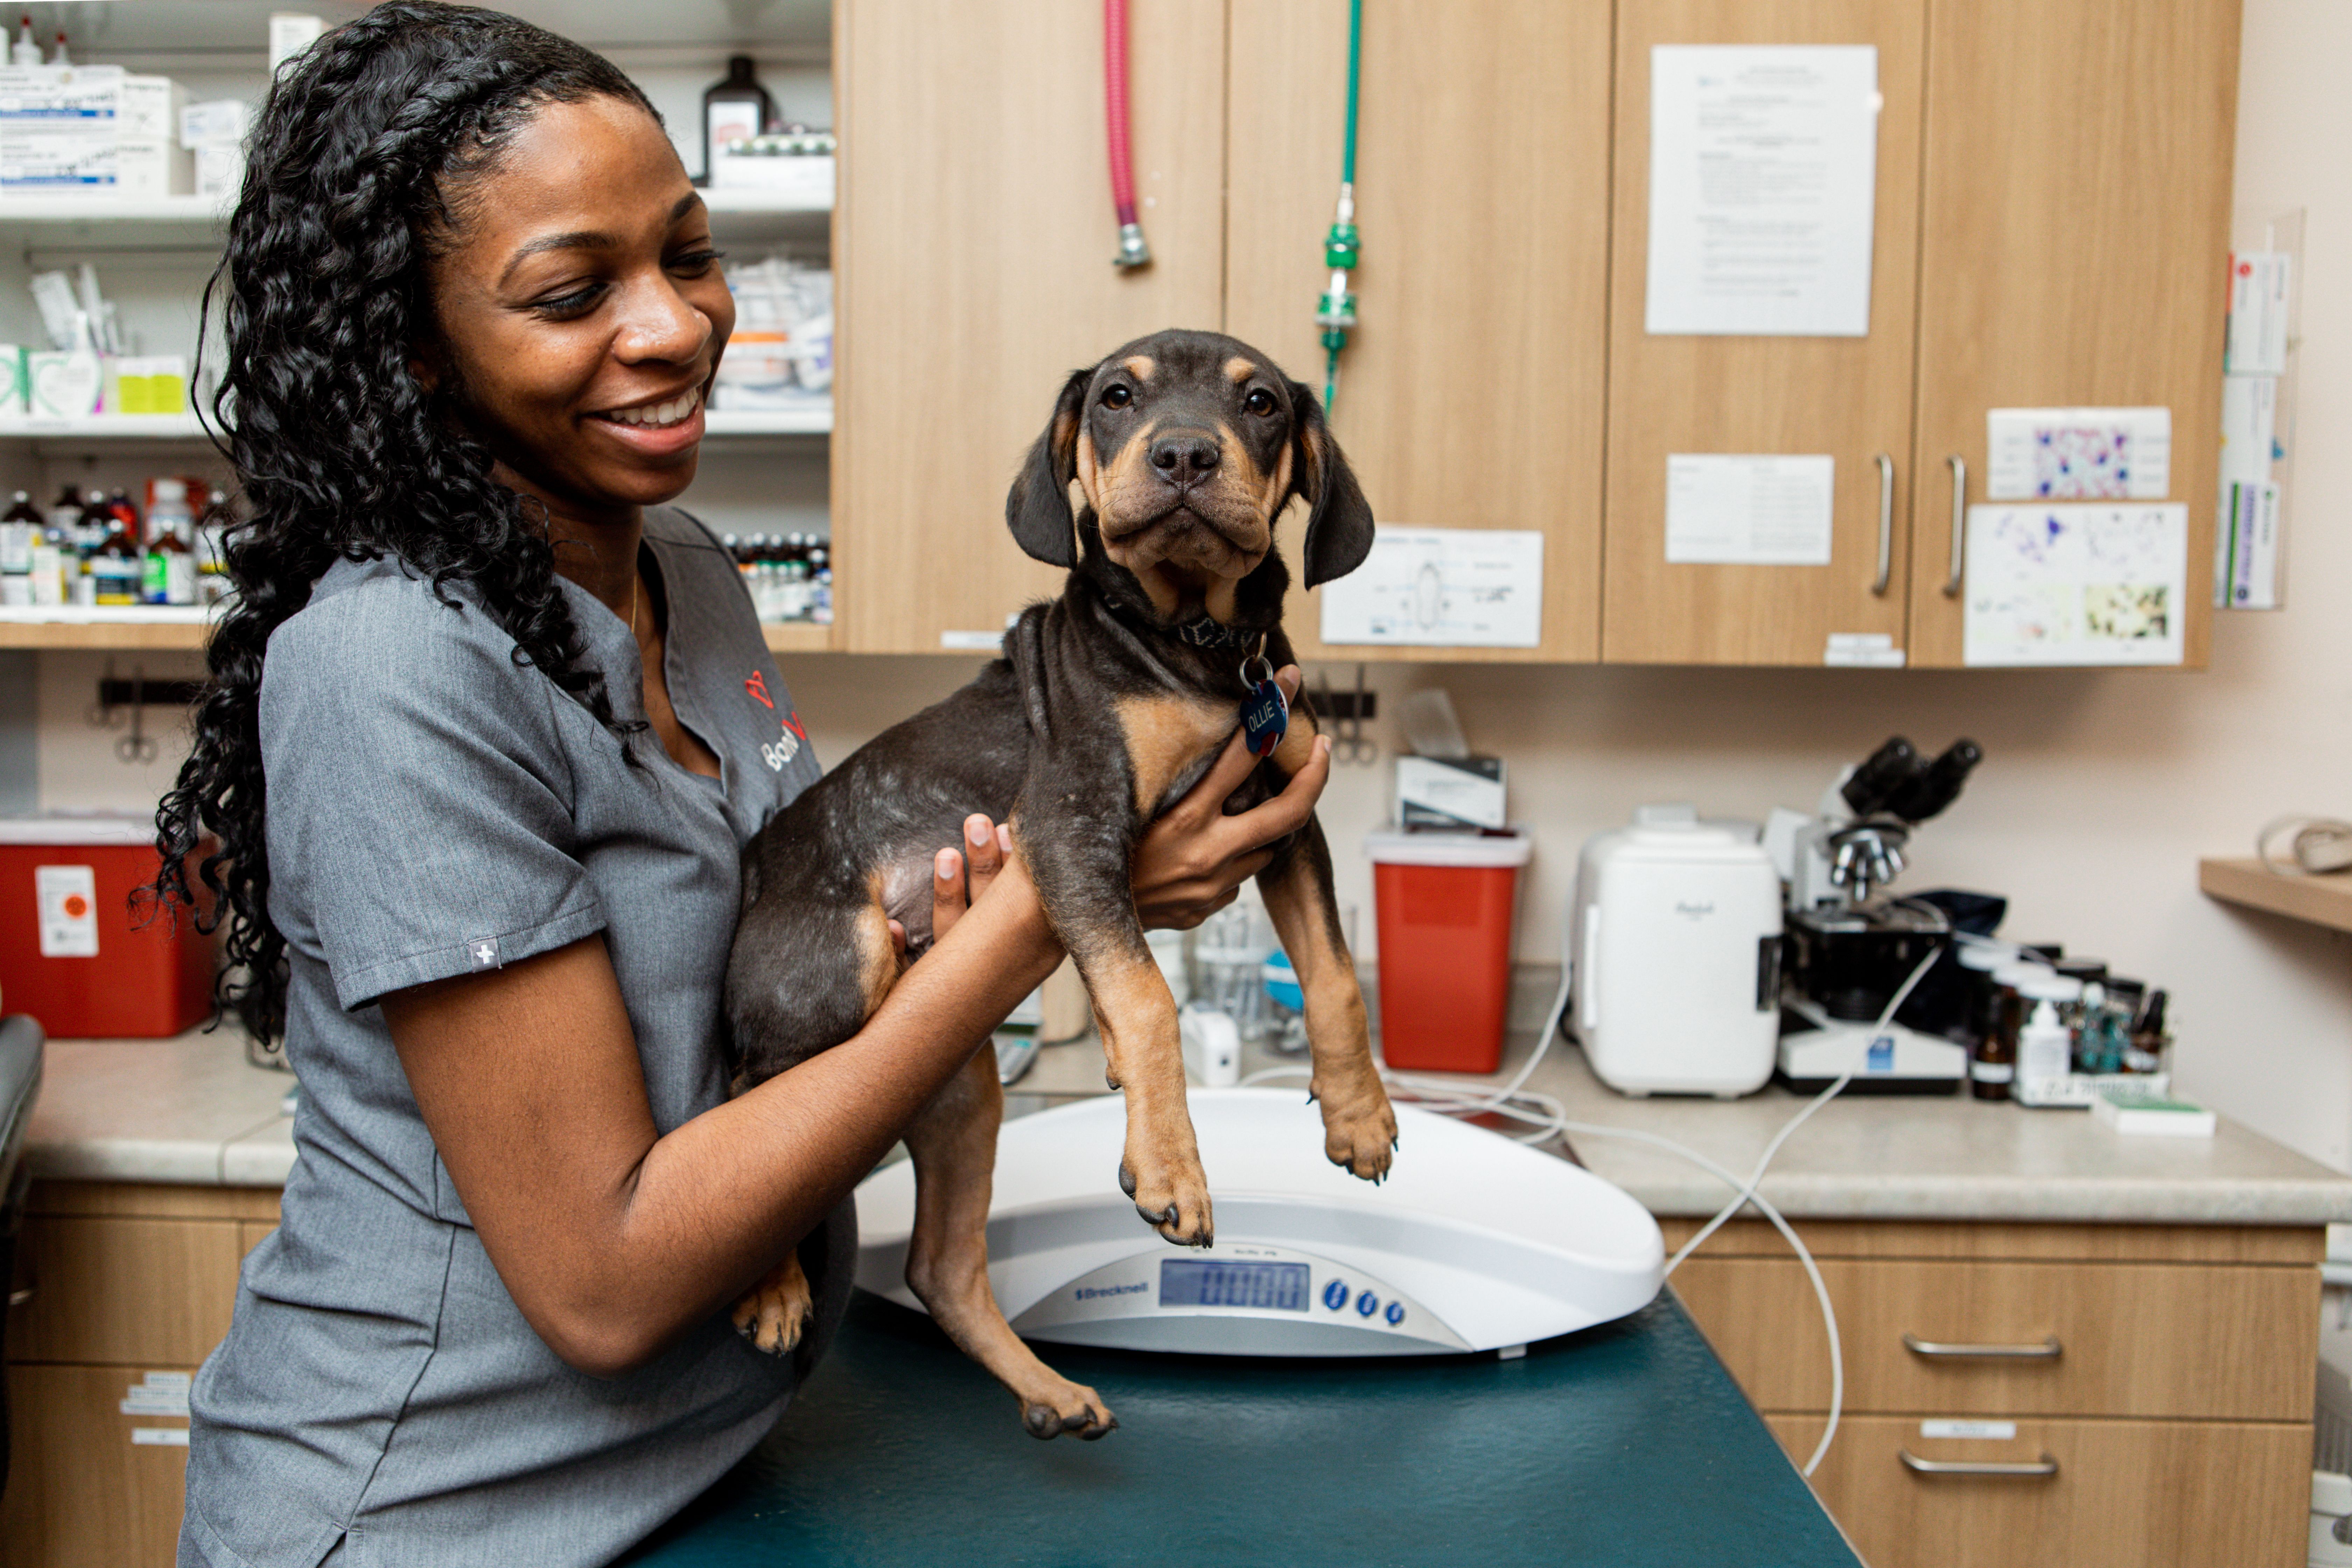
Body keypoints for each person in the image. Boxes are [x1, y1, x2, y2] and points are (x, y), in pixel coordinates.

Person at [149, 7, 1332, 1564]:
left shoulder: (688, 574)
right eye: (573, 292)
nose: (673, 327)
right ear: (416, 352)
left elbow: (791, 966)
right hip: (438, 1510)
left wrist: (987, 903)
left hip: (717, 1458)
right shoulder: (391, 667)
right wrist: (1054, 909)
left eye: (690, 256)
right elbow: (606, 1282)